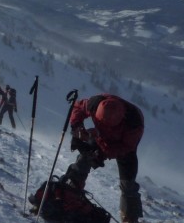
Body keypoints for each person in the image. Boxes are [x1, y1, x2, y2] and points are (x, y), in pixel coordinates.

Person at [61, 94, 144, 223]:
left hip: (122, 146)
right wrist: (77, 126)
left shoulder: (134, 122)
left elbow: (126, 147)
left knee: (128, 184)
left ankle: (130, 218)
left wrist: (103, 153)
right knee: (84, 158)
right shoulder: (95, 103)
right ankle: (69, 193)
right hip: (99, 136)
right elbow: (78, 107)